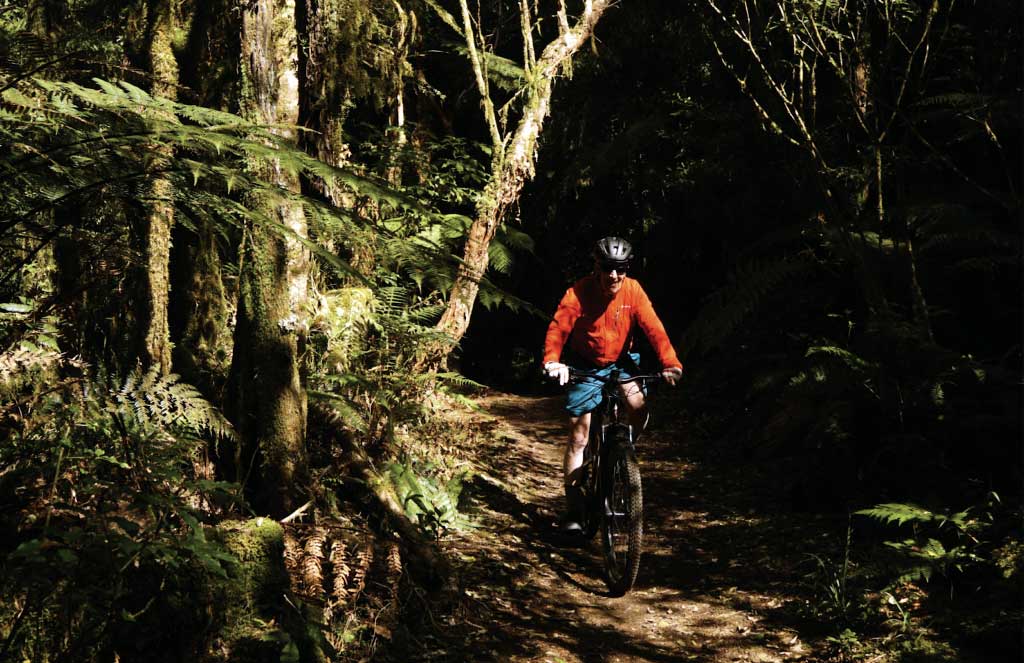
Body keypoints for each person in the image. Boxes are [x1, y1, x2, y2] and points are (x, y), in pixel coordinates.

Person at [542, 236, 683, 532]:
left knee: (638, 406)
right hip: (585, 363)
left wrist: (671, 363)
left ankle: (623, 455)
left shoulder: (633, 291)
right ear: (597, 267)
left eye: (620, 268)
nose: (614, 275)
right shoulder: (579, 292)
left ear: (627, 268)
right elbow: (559, 327)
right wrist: (553, 361)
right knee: (579, 436)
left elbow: (654, 328)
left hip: (621, 361)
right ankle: (575, 509)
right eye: (607, 268)